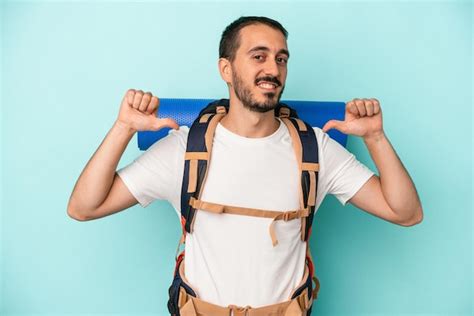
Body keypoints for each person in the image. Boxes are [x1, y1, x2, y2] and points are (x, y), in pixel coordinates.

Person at [67, 16, 423, 314]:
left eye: (281, 59)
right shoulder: (185, 149)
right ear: (226, 68)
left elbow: (405, 212)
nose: (273, 69)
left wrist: (376, 138)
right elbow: (84, 207)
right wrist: (124, 128)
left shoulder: (316, 149)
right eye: (259, 56)